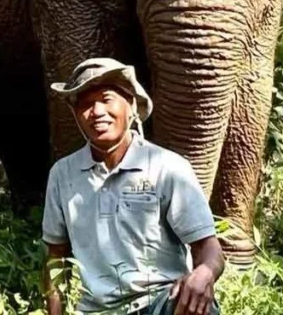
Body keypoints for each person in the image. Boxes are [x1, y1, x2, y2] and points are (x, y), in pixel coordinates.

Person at [41, 58, 224, 315]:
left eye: (106, 99)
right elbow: (55, 256)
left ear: (131, 106)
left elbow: (208, 247)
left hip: (161, 302)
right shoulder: (63, 175)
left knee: (199, 308)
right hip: (97, 311)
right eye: (85, 104)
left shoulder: (167, 167)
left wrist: (205, 272)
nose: (96, 112)